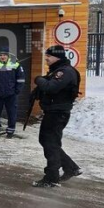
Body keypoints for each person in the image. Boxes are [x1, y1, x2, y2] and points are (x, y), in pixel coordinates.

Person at [31, 45, 83, 188]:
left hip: (57, 113)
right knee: (48, 141)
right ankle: (70, 167)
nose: (46, 58)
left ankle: (52, 178)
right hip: (54, 112)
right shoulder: (58, 70)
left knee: (50, 144)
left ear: (57, 57)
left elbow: (51, 87)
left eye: (49, 56)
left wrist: (38, 79)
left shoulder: (65, 72)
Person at [0, 47, 25, 138]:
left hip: (11, 95)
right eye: (0, 55)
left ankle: (10, 131)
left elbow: (21, 79)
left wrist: (16, 91)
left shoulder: (15, 64)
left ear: (8, 56)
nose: (2, 57)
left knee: (11, 113)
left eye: (4, 55)